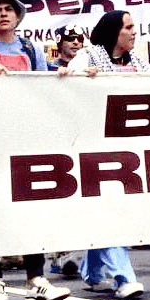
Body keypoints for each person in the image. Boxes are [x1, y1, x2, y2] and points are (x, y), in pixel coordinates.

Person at [0, 0, 71, 300]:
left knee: (29, 207)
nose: (4, 14)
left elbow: (43, 88)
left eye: (9, 9)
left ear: (18, 16)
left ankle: (36, 280)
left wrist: (64, 76)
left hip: (21, 140)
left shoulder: (30, 49)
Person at [69, 10, 150, 298]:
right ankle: (123, 277)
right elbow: (65, 89)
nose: (134, 32)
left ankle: (92, 273)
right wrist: (81, 80)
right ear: (113, 31)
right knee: (109, 212)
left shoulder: (139, 63)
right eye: (128, 27)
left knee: (110, 211)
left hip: (129, 151)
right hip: (94, 149)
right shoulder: (87, 58)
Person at [46, 24, 86, 276]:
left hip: (81, 138)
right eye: (70, 39)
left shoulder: (88, 67)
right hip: (54, 138)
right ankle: (60, 253)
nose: (75, 43)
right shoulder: (46, 69)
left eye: (79, 39)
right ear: (59, 42)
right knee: (58, 194)